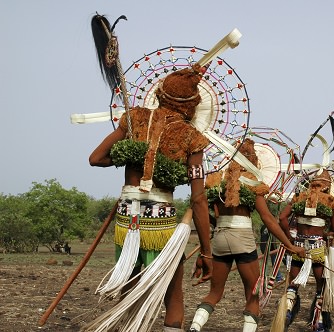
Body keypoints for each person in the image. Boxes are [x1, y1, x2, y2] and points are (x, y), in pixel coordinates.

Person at [88, 15, 212, 332]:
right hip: (162, 221)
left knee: (128, 287)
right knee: (173, 292)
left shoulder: (135, 118)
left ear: (158, 95)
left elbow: (95, 158)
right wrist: (207, 252)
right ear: (193, 108)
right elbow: (198, 199)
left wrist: (132, 158)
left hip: (127, 216)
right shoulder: (191, 138)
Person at [188, 139, 305, 332]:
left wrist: (215, 233)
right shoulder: (252, 182)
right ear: (252, 159)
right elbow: (267, 218)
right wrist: (289, 245)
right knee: (252, 297)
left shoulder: (219, 181)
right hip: (243, 241)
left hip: (220, 241)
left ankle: (194, 327)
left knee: (214, 293)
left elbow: (207, 212)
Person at [279, 169, 334, 332]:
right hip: (317, 247)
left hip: (298, 245)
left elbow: (282, 218)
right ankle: (318, 322)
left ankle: (287, 312)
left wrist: (289, 238)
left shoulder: (299, 197)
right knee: (321, 284)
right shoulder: (330, 200)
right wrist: (326, 231)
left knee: (293, 284)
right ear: (328, 186)